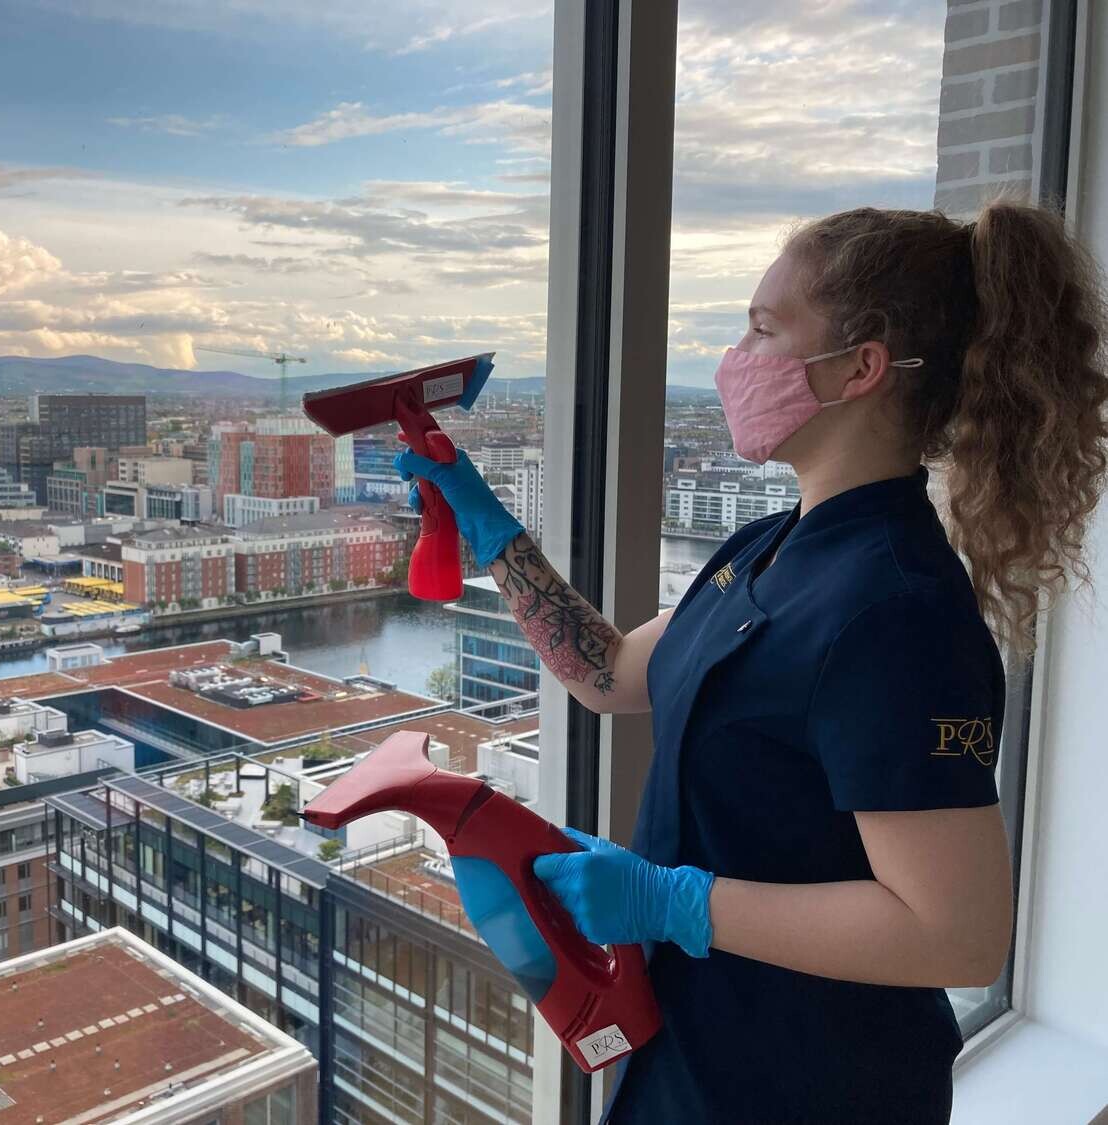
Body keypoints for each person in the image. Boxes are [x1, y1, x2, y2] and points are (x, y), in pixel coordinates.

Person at [395, 202, 1108, 1124]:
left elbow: (958, 936)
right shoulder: (767, 548)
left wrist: (673, 901)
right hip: (697, 1061)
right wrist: (488, 526)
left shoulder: (898, 614)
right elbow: (611, 674)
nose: (735, 358)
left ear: (862, 367)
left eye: (764, 329)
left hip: (813, 1087)